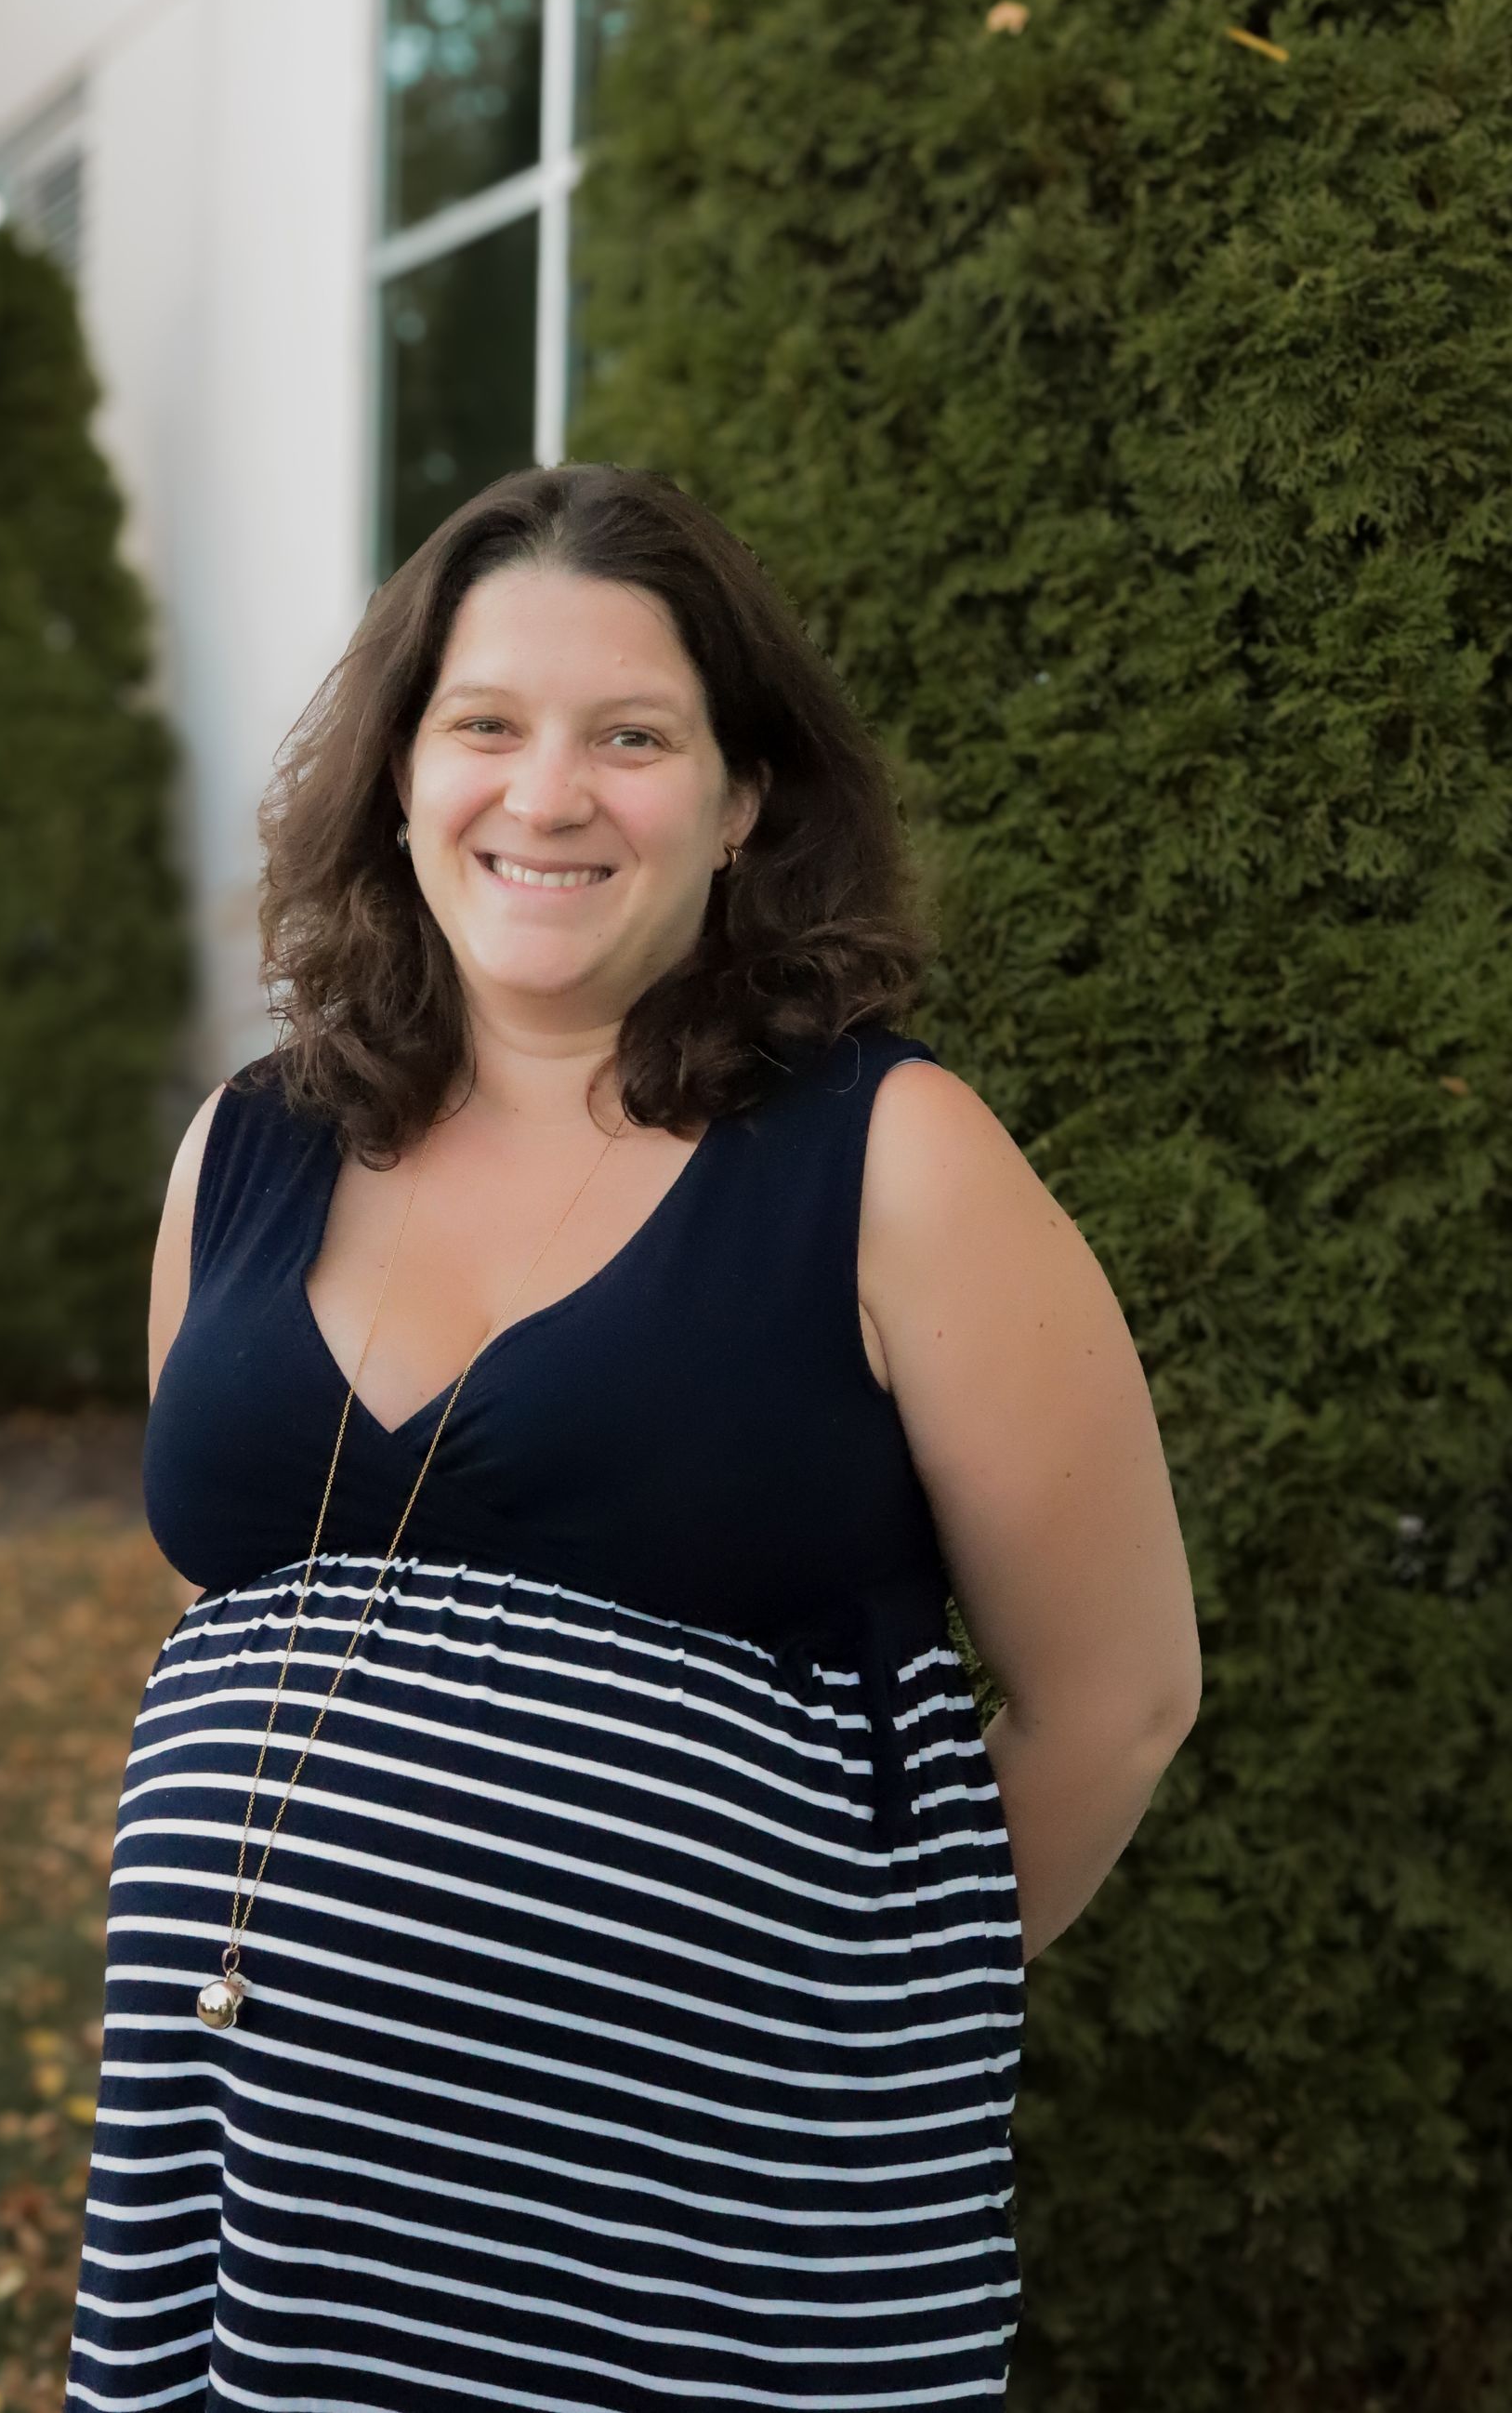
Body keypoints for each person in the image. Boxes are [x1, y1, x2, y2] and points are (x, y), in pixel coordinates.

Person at [62, 461, 1200, 2412]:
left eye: (635, 736)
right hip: (260, 2222)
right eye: (485, 725)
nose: (548, 792)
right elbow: (245, 1630)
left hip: (704, 2274)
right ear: (402, 774)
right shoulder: (243, 1149)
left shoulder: (887, 1159)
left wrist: (822, 2011)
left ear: (746, 799)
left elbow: (1119, 1694)